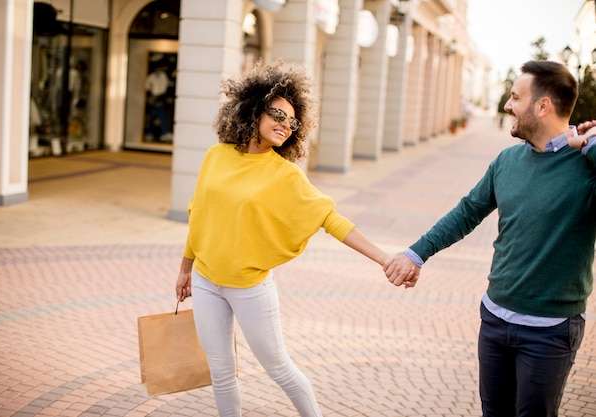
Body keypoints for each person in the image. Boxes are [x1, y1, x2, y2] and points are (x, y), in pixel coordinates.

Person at [175, 60, 395, 417]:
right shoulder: (216, 156)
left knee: (279, 368)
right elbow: (198, 214)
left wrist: (385, 259)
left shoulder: (285, 174)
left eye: (292, 121)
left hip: (249, 288)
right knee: (221, 373)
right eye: (277, 114)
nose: (284, 125)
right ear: (253, 110)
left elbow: (330, 218)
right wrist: (185, 269)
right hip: (204, 281)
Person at [383, 60, 594, 417]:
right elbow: (467, 212)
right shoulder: (507, 160)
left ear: (542, 106)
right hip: (495, 319)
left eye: (515, 97)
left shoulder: (584, 166)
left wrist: (590, 147)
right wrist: (415, 254)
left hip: (549, 330)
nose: (507, 105)